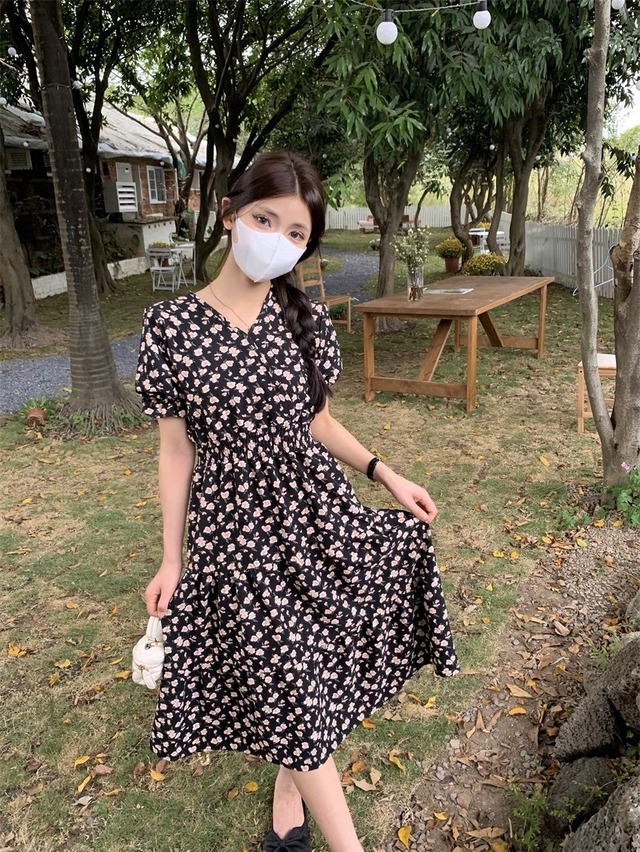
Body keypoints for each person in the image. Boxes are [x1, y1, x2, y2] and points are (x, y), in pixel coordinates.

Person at [134, 150, 459, 852]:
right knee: (287, 671)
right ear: (229, 214)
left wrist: (385, 474)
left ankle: (291, 782)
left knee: (310, 660)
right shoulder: (171, 327)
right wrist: (171, 558)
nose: (277, 241)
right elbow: (175, 451)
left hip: (315, 514)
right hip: (234, 533)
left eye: (295, 234)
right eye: (265, 219)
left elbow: (318, 422)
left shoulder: (304, 319)